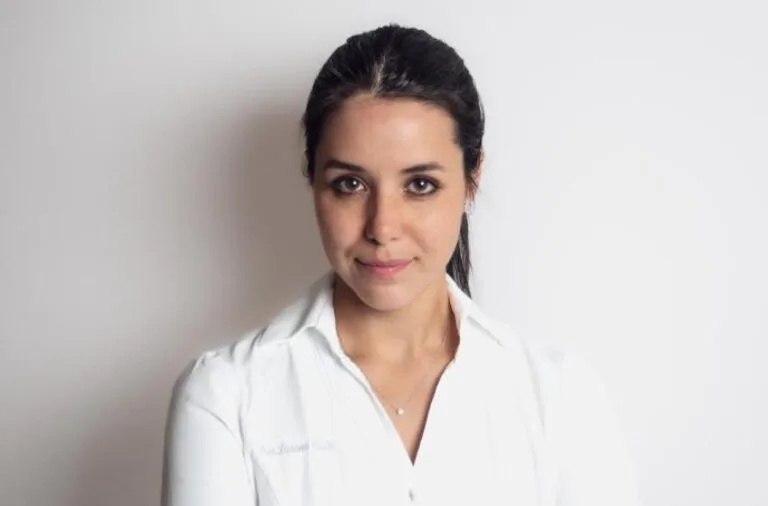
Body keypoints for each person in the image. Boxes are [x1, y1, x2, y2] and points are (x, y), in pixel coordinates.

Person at [161, 24, 641, 506]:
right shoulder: (227, 396)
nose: (382, 227)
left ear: (471, 180)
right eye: (350, 184)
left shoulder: (559, 398)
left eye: (420, 185)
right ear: (313, 179)